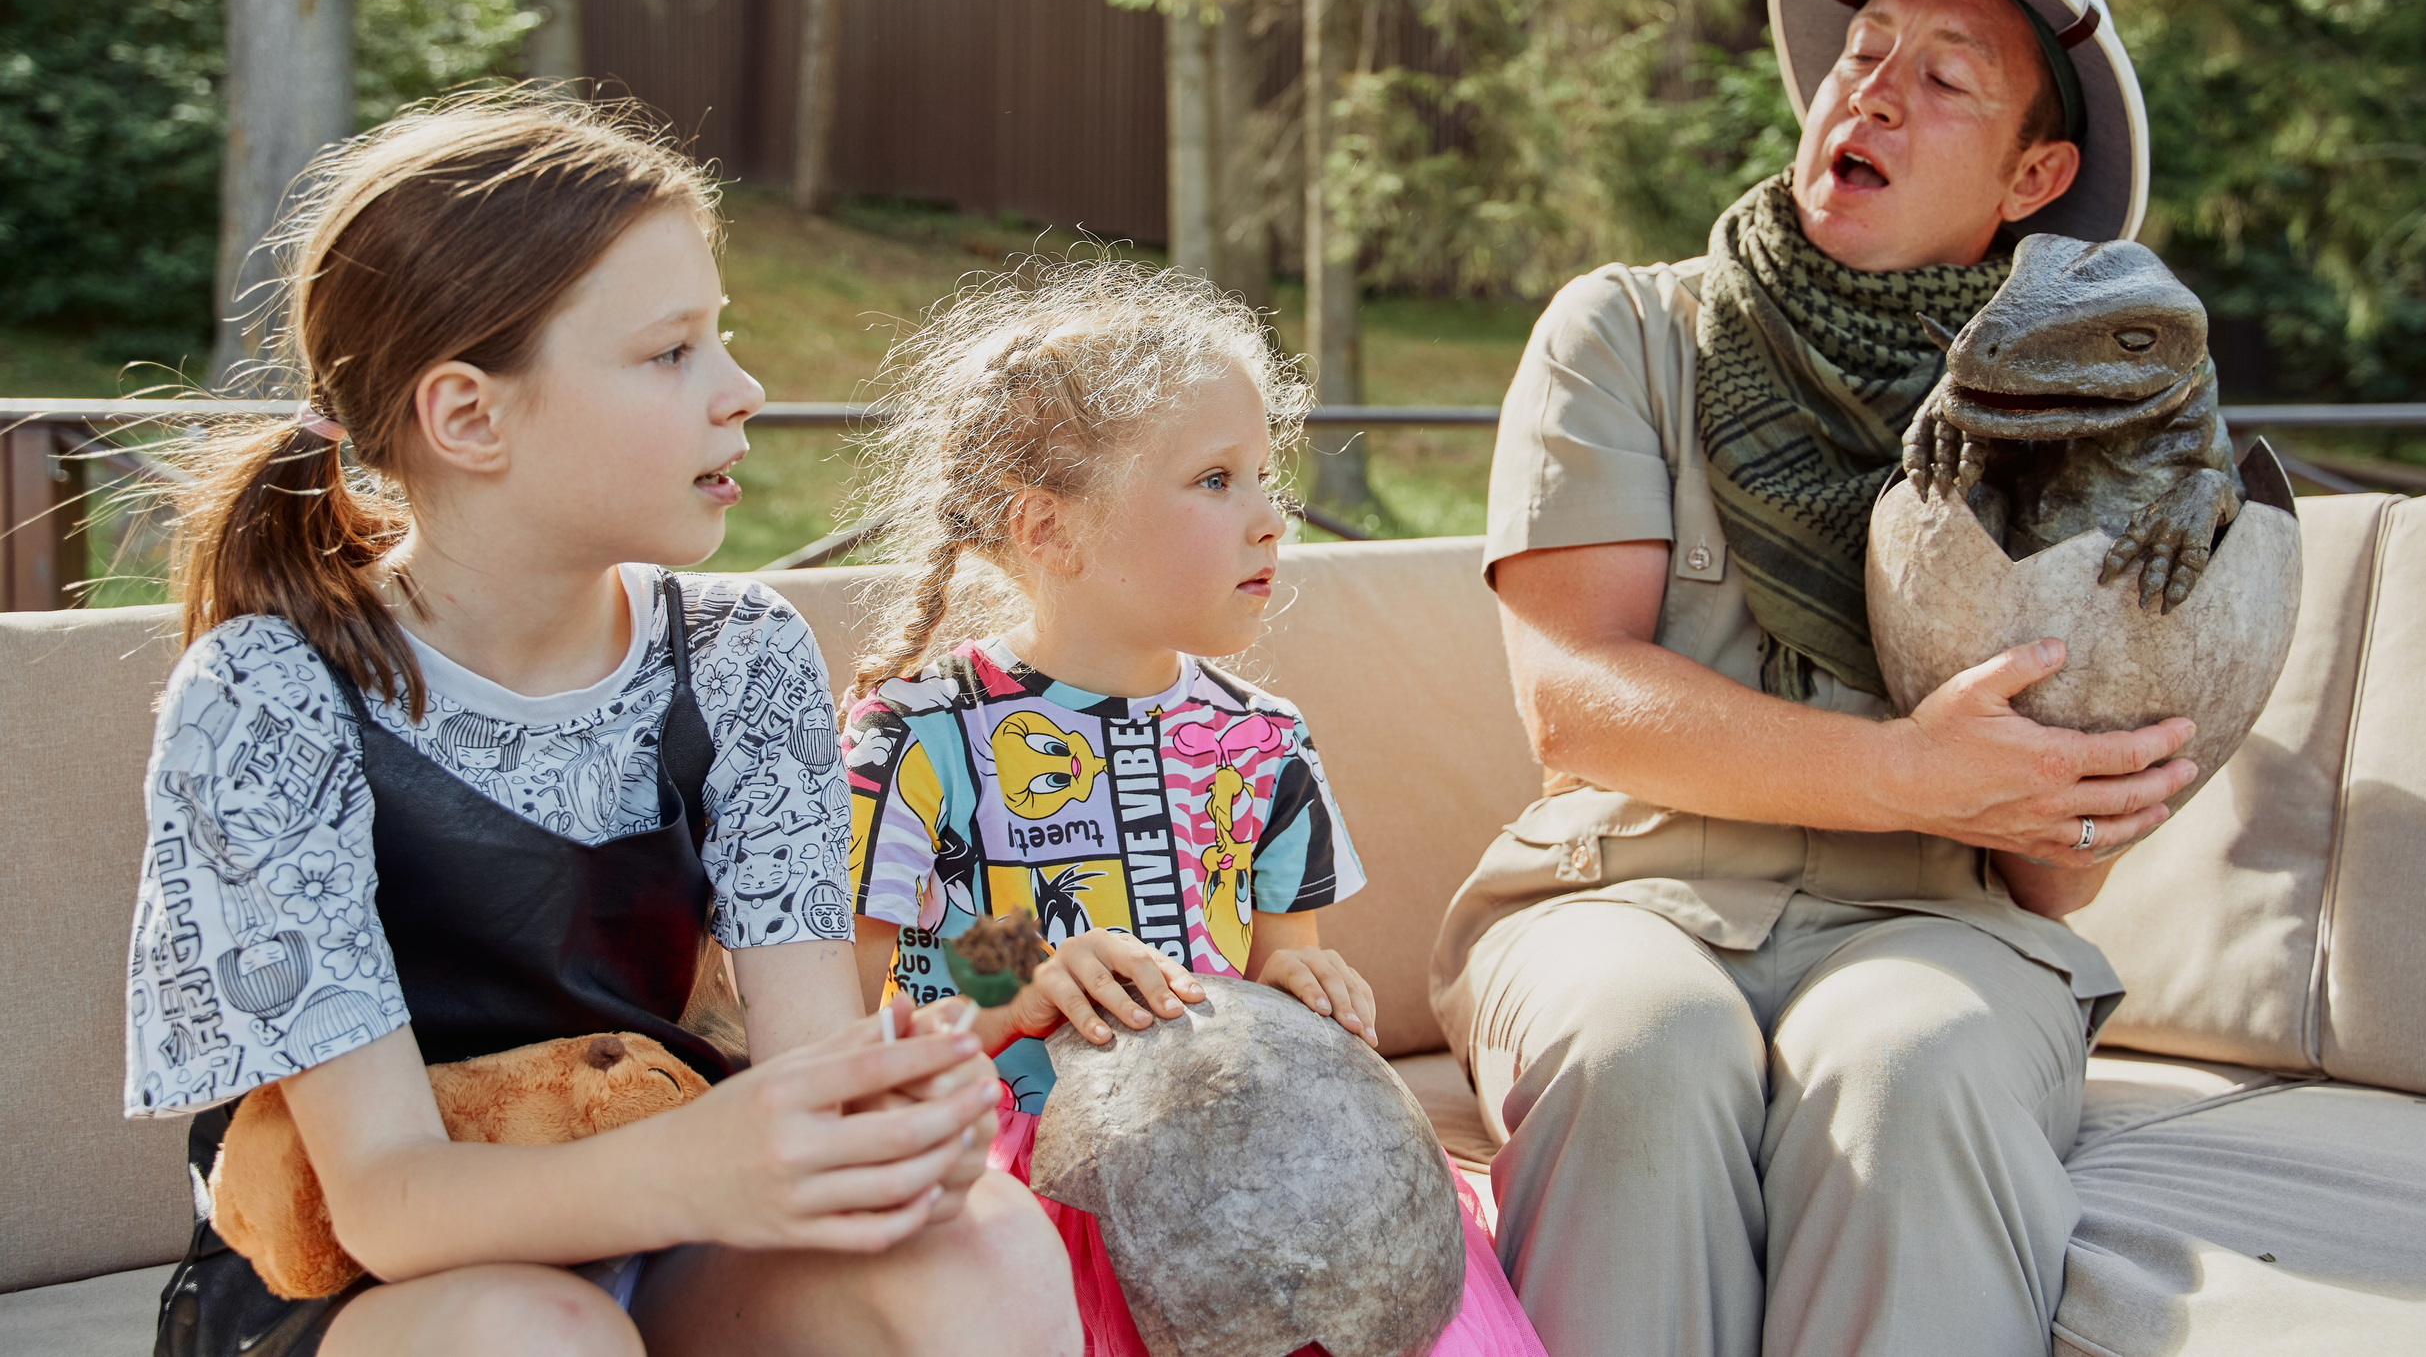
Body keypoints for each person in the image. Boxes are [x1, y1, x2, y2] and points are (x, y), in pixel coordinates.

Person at [126, 96, 1077, 1357]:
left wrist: (884, 1125)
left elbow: (810, 1052)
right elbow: (387, 1206)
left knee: (981, 1240)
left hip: (669, 1225)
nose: (741, 391)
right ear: (469, 416)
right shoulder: (269, 698)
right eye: (671, 352)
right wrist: (707, 1166)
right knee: (537, 1332)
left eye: (720, 337)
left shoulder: (741, 654)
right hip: (370, 1287)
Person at [1427, 0, 2204, 1357]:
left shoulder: (2083, 433)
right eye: (1864, 49)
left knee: (1912, 1066)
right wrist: (1910, 771)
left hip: (1942, 924)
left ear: (2033, 174)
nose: (1876, 89)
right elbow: (1575, 698)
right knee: (1643, 1047)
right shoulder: (1624, 331)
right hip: (1620, 895)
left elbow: (2050, 881)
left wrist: (2085, 789)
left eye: (1944, 75)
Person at [838, 262, 1543, 1356]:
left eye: (1266, 475)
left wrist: (1305, 981)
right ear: (1048, 528)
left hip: (1256, 1161)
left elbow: (1279, 958)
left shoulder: (1266, 741)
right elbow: (870, 982)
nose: (1271, 518)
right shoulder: (918, 735)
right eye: (1216, 480)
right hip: (1027, 1167)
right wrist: (1025, 974)